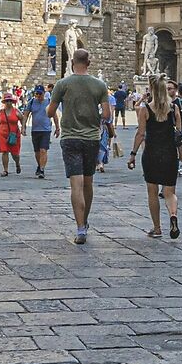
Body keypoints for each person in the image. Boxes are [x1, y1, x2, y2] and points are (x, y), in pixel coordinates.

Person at [53, 50, 113, 246]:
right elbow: (106, 114)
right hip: (91, 139)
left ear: (72, 62)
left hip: (70, 138)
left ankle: (80, 229)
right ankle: (85, 222)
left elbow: (50, 111)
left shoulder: (62, 84)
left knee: (75, 185)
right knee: (88, 183)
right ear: (89, 62)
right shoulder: (99, 85)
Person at [127, 79, 182, 240]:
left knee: (152, 192)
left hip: (151, 154)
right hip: (169, 154)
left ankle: (157, 228)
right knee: (169, 192)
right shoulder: (174, 108)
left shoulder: (145, 109)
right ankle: (173, 216)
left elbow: (140, 134)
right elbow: (179, 134)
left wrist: (133, 154)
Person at [23, 85, 53, 179]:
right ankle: (39, 166)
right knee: (37, 152)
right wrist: (23, 127)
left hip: (46, 130)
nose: (38, 95)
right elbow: (26, 115)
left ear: (44, 93)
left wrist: (57, 127)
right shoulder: (31, 102)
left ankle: (42, 169)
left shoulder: (48, 102)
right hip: (35, 130)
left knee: (43, 150)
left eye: (40, 93)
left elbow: (54, 115)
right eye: (37, 93)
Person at [0, 97, 23, 176]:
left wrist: (23, 128)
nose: (8, 102)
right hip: (2, 134)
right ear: (4, 102)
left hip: (13, 135)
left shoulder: (16, 111)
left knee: (15, 154)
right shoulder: (1, 112)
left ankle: (17, 163)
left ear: (12, 102)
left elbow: (22, 119)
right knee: (4, 151)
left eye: (10, 101)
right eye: (7, 101)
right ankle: (5, 170)